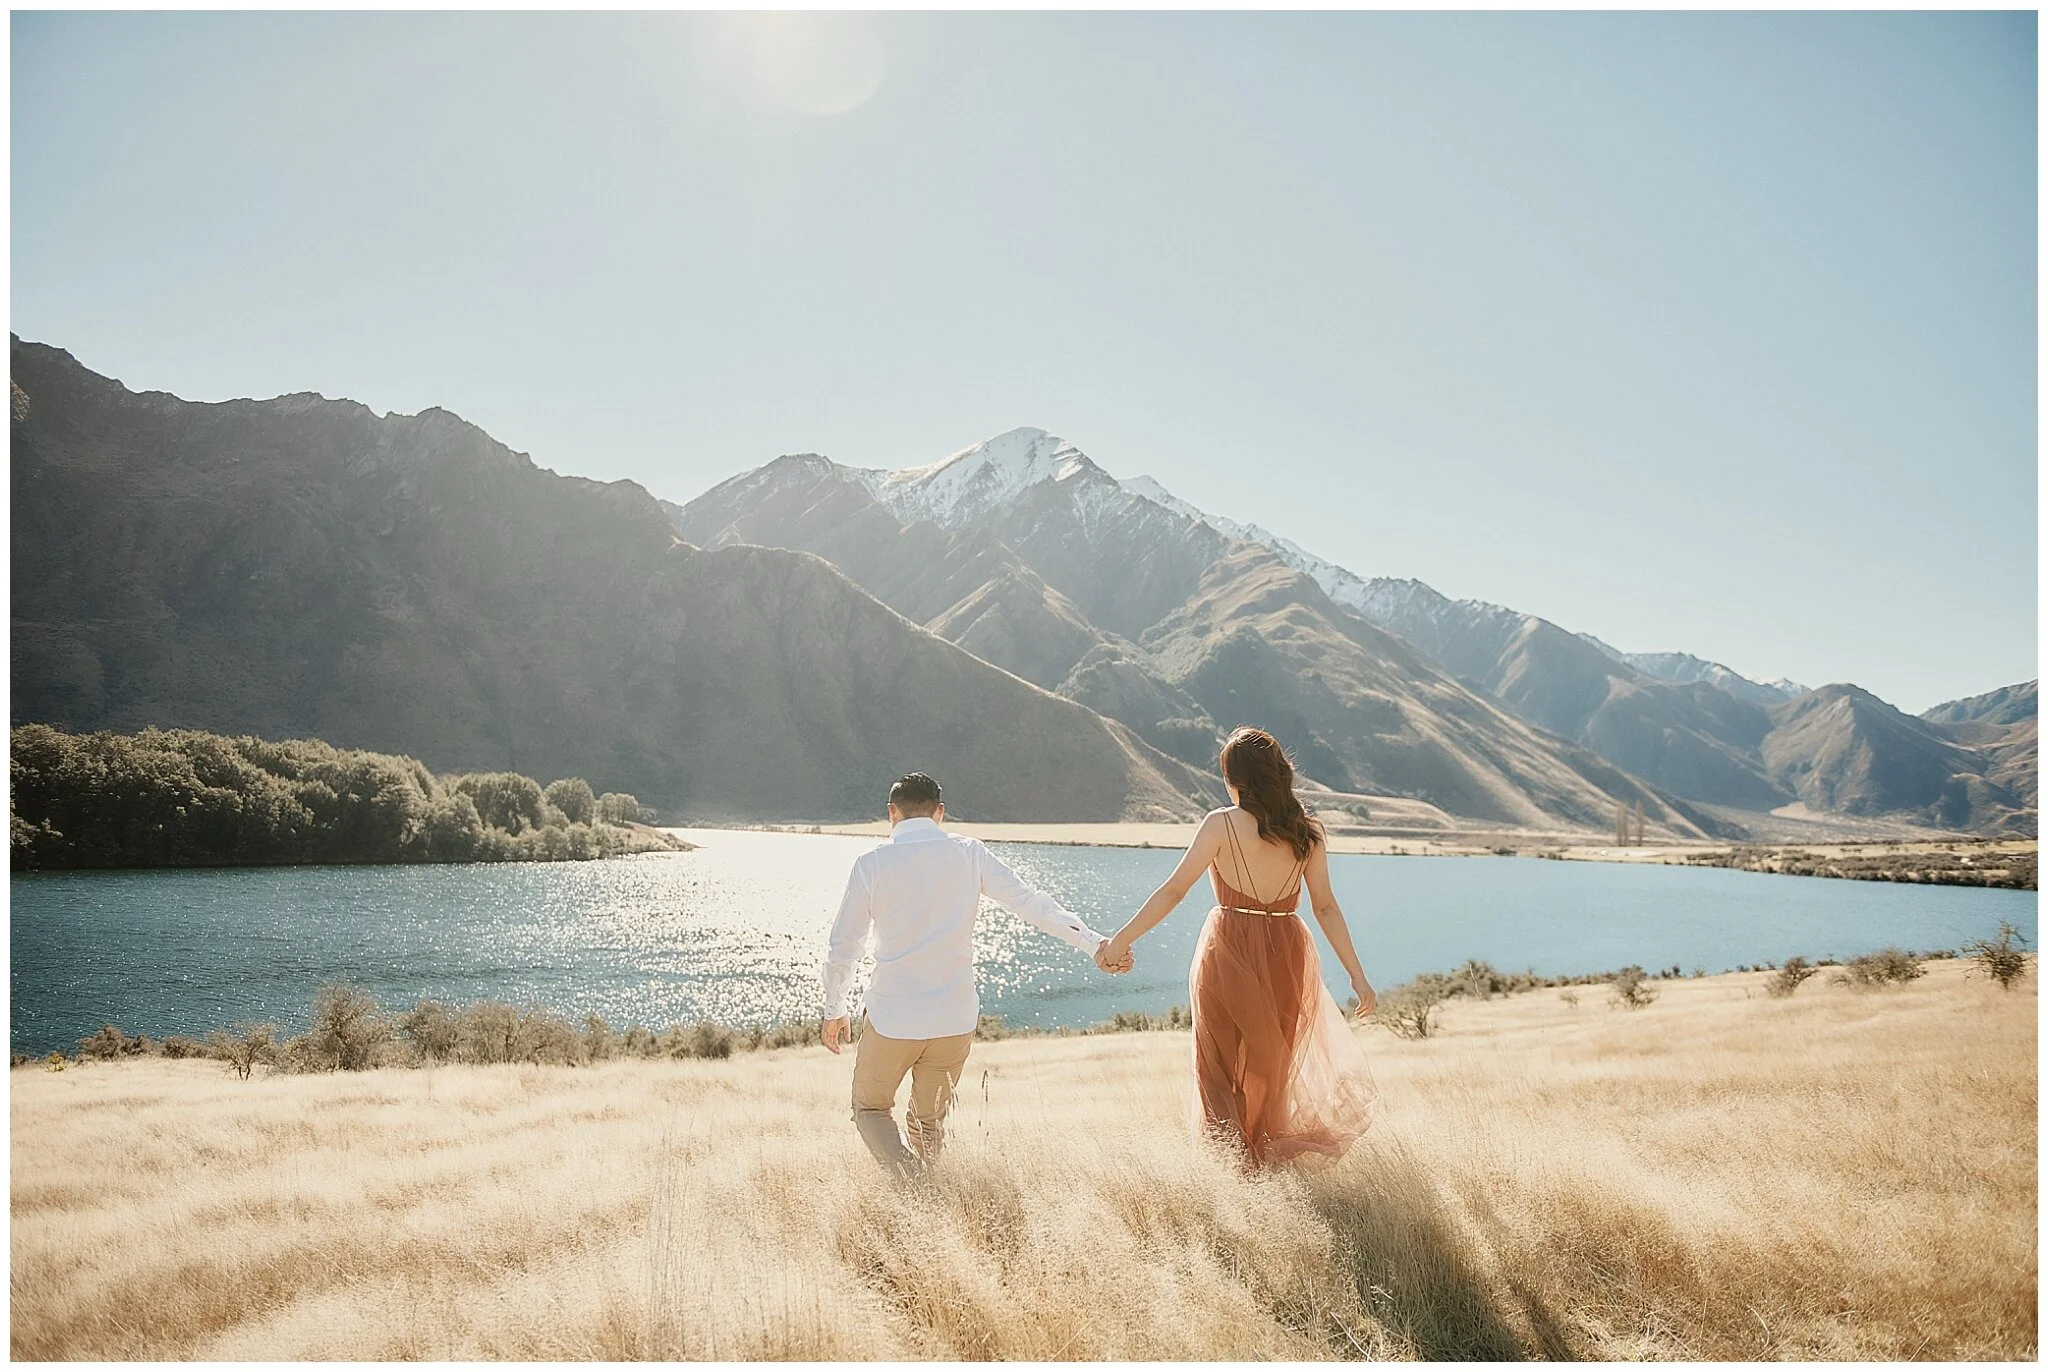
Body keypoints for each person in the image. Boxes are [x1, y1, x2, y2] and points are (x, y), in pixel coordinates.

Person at [1097, 727, 1378, 1167]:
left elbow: (1173, 892)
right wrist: (1358, 977)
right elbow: (1325, 908)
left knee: (1218, 1064)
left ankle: (1230, 1167)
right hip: (1288, 949)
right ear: (1280, 774)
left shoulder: (1221, 823)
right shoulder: (1309, 832)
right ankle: (1264, 1163)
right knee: (1273, 1065)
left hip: (1227, 948)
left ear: (1236, 779)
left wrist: (1119, 942)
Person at [821, 772, 1123, 1178]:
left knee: (871, 1109)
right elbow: (1031, 903)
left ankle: (918, 1191)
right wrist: (1093, 942)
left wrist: (833, 1007)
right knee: (928, 1122)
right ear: (940, 813)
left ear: (891, 814)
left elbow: (845, 946)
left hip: (893, 1020)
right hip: (954, 1022)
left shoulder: (871, 864)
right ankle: (933, 1188)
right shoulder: (970, 854)